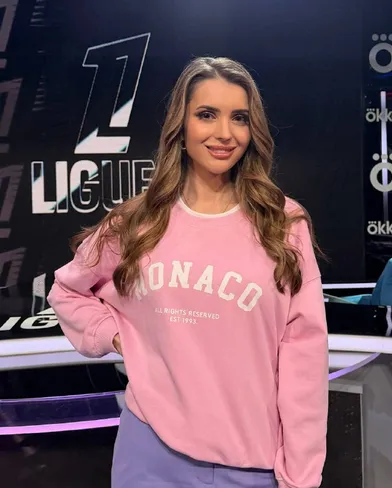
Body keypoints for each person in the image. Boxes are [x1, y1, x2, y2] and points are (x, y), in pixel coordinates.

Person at [47, 56, 329, 488]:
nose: (224, 133)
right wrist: (117, 336)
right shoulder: (137, 222)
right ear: (181, 127)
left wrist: (300, 476)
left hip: (250, 463)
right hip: (149, 453)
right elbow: (68, 291)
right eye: (206, 115)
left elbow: (304, 357)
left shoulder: (283, 224)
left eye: (239, 118)